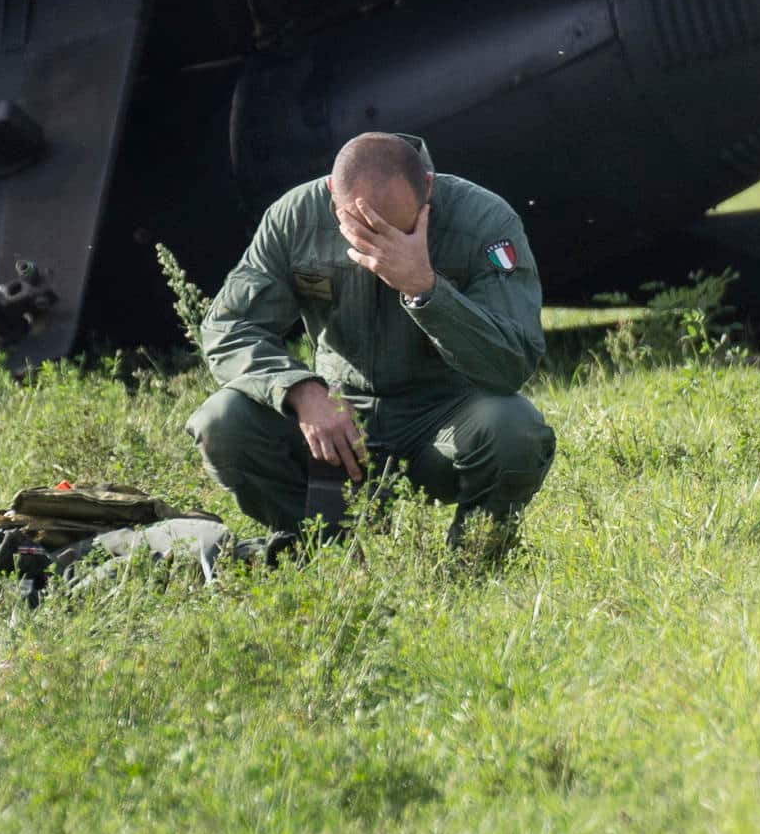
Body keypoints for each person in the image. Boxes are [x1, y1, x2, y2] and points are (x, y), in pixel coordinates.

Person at [188, 132, 554, 546]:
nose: (376, 241)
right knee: (221, 420)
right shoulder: (296, 217)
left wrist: (426, 289)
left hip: (443, 421)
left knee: (515, 428)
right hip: (339, 419)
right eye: (358, 226)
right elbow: (229, 327)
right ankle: (319, 548)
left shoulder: (483, 220)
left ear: (428, 187)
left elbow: (513, 362)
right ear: (331, 191)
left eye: (396, 228)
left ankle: (471, 558)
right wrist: (301, 392)